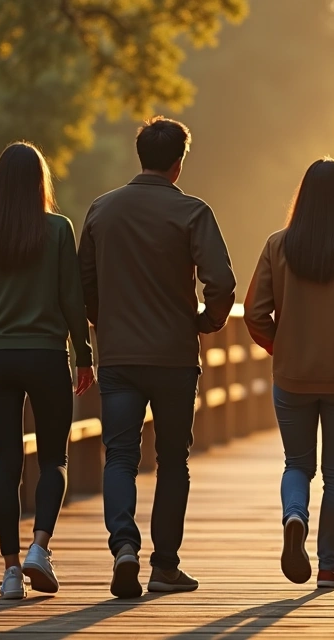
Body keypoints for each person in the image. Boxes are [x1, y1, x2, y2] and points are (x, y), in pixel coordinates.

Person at [78, 116, 236, 599]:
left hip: (120, 357)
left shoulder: (103, 211)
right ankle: (164, 566)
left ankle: (124, 545)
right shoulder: (192, 212)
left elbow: (82, 282)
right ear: (178, 163)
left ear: (140, 154)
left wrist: (105, 322)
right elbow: (223, 284)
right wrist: (206, 322)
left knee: (120, 456)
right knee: (172, 461)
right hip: (173, 358)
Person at [245, 158, 334, 590]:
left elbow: (255, 312)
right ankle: (328, 566)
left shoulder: (277, 246)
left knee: (297, 463)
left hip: (292, 375)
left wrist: (280, 346)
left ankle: (294, 516)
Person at [0, 141, 94, 600]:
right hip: (47, 357)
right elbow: (72, 298)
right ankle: (40, 547)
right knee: (53, 458)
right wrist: (84, 353)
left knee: (7, 465)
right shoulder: (57, 230)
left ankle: (11, 572)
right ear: (40, 184)